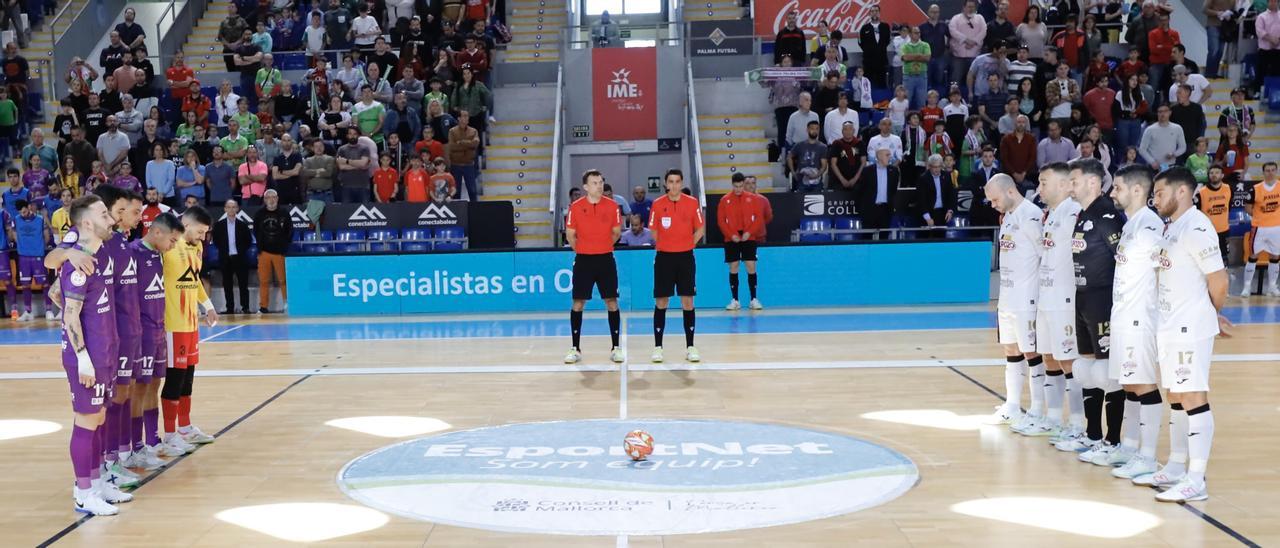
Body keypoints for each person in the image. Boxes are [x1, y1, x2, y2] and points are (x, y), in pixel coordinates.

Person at [1141, 166, 1232, 502]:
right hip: (1170, 324)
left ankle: (1196, 478)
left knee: (1193, 396)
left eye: (1160, 193)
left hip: (1187, 326)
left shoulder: (1196, 227)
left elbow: (1219, 280)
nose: (1156, 199)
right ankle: (1178, 465)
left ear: (1182, 192)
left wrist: (1211, 313)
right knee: (1176, 395)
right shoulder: (1173, 228)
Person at [56, 195, 130, 515]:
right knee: (86, 421)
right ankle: (83, 492)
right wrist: (83, 358)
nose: (111, 219)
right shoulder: (79, 263)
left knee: (99, 418)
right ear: (87, 223)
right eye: (104, 214)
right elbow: (70, 316)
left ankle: (97, 482)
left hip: (105, 350)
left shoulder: (98, 257)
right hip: (88, 356)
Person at [1060, 158, 1127, 463]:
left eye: (1074, 180)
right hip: (1083, 297)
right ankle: (1093, 434)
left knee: (1107, 371)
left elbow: (1123, 258)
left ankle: (1113, 441)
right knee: (1086, 369)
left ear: (1092, 182)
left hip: (1103, 299)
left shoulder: (1107, 214)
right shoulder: (1082, 214)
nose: (1070, 186)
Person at [1103, 164, 1165, 480]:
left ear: (1137, 190)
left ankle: (1148, 456)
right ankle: (1129, 446)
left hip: (1141, 317)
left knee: (1142, 383)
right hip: (1124, 315)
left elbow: (1165, 269)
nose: (1113, 193)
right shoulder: (1130, 225)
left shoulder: (1149, 226)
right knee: (1129, 384)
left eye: (1117, 187)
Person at [1014, 162, 1083, 438]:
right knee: (1050, 358)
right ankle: (1053, 417)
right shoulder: (1051, 214)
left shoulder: (1074, 213)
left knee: (1069, 362)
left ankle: (1078, 423)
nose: (1039, 188)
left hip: (1065, 299)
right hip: (1047, 295)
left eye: (1044, 182)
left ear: (1065, 185)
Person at [124, 212, 183, 469]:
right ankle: (135, 446)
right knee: (139, 387)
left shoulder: (157, 253)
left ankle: (152, 440)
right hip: (142, 332)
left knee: (154, 384)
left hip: (159, 328)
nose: (172, 246)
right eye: (172, 240)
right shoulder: (132, 252)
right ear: (157, 232)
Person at [985, 173, 1044, 425]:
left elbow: (1045, 255)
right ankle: (1012, 404)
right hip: (1007, 297)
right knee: (1011, 350)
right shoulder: (1007, 216)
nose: (993, 204)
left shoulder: (1031, 215)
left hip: (1027, 297)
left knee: (1031, 352)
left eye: (995, 199)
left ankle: (1038, 409)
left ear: (1010, 191)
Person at [160, 206, 218, 454]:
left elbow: (193, 279)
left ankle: (185, 427)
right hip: (173, 324)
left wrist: (208, 306)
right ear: (186, 223)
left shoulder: (198, 248)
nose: (203, 237)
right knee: (174, 379)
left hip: (191, 323)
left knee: (188, 379)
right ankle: (170, 434)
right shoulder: (169, 247)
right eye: (201, 231)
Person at [563, 170, 624, 364]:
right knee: (578, 303)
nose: (599, 185)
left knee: (612, 302)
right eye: (595, 183)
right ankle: (575, 348)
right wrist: (583, 249)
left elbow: (616, 233)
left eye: (600, 182)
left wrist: (602, 246)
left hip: (606, 259)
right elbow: (570, 235)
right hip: (583, 260)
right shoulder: (575, 207)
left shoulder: (613, 206)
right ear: (586, 187)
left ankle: (616, 347)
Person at [648, 169, 704, 363]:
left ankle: (690, 346)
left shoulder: (692, 203)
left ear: (681, 183)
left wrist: (688, 244)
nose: (674, 185)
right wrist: (666, 245)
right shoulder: (657, 204)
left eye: (677, 181)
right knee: (661, 301)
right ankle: (658, 347)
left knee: (687, 301)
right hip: (664, 258)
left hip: (686, 257)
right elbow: (654, 231)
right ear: (665, 184)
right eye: (670, 181)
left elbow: (700, 229)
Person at [718, 173, 768, 311]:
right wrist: (731, 235)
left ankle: (753, 299)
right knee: (733, 267)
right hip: (731, 238)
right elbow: (721, 221)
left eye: (740, 186)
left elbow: (759, 218)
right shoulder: (725, 200)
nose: (738, 189)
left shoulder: (753, 198)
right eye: (736, 186)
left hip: (748, 237)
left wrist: (749, 233)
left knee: (751, 266)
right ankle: (735, 300)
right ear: (732, 185)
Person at [1240, 162, 1280, 296]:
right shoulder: (1255, 189)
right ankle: (1246, 287)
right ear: (1263, 172)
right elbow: (1247, 208)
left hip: (1277, 228)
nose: (1270, 173)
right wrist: (1261, 216)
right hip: (1259, 228)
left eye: (1273, 170)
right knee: (1253, 256)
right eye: (1267, 170)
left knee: (1275, 257)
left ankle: (1272, 287)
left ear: (1276, 171)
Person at [11, 200, 52, 321]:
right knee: (25, 285)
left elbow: (47, 236)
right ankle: (28, 311)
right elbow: (14, 235)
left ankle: (49, 311)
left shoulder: (40, 220)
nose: (22, 214)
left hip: (38, 256)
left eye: (24, 211)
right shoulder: (16, 219)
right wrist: (24, 246)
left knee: (45, 284)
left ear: (29, 207)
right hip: (23, 257)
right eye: (20, 212)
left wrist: (37, 247)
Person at [252, 190, 291, 314]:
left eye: (273, 197)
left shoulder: (284, 213)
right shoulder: (259, 214)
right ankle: (263, 307)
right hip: (264, 252)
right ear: (265, 200)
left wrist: (284, 246)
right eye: (268, 197)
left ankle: (287, 304)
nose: (271, 200)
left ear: (277, 198)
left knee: (283, 280)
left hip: (279, 252)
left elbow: (289, 231)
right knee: (263, 281)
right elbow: (256, 231)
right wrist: (260, 247)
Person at [214, 200, 252, 314]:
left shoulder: (243, 225)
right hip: (225, 258)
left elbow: (248, 241)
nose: (231, 209)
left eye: (233, 207)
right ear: (225, 209)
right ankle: (229, 308)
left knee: (243, 284)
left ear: (237, 209)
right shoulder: (219, 225)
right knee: (227, 284)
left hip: (240, 258)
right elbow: (216, 241)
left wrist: (241, 251)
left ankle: (245, 307)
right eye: (229, 207)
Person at [854, 149, 901, 231]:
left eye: (890, 155)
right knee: (867, 238)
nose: (890, 157)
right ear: (879, 156)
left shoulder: (894, 171)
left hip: (886, 210)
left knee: (884, 238)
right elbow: (860, 190)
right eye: (887, 155)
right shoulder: (867, 171)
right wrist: (862, 209)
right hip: (869, 210)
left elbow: (893, 190)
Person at [949, 0, 987, 95]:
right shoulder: (956, 18)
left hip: (974, 55)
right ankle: (954, 99)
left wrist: (973, 41)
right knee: (955, 80)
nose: (971, 9)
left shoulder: (980, 18)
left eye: (973, 7)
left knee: (974, 79)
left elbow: (984, 30)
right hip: (958, 56)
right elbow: (952, 30)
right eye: (969, 7)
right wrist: (966, 39)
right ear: (964, 7)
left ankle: (973, 99)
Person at [916, 154, 957, 234]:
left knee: (941, 239)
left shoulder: (947, 176)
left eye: (939, 166)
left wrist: (950, 210)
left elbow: (951, 195)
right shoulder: (923, 178)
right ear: (930, 166)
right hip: (928, 214)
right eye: (935, 167)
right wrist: (927, 218)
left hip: (942, 214)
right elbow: (921, 200)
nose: (937, 169)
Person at [1139, 104, 1186, 171]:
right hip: (1154, 166)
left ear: (1170, 112)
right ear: (1157, 113)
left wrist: (1174, 154)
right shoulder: (1150, 129)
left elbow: (1183, 147)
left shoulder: (1177, 128)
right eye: (1160, 112)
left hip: (1170, 165)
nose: (1162, 114)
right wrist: (1152, 161)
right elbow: (1142, 149)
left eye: (1165, 111)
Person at [448, 110, 481, 201]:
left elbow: (475, 144)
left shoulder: (473, 131)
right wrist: (468, 146)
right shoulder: (452, 131)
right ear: (458, 118)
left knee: (472, 191)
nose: (467, 118)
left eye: (467, 116)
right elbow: (452, 147)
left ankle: (475, 210)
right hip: (456, 165)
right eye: (464, 116)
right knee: (456, 192)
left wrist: (461, 142)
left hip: (469, 165)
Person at [336, 127, 373, 203]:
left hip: (363, 185)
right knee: (346, 212)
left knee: (364, 211)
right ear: (347, 135)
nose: (352, 136)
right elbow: (341, 166)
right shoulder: (341, 149)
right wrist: (359, 165)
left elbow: (363, 164)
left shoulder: (365, 148)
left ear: (358, 135)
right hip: (346, 186)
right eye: (350, 134)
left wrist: (346, 161)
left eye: (355, 134)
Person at [789, 121, 827, 192]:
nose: (814, 131)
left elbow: (824, 165)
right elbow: (789, 157)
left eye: (817, 129)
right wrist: (793, 172)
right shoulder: (799, 145)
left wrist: (817, 175)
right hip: (801, 180)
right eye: (812, 128)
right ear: (807, 130)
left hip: (817, 181)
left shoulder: (823, 147)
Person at [859, 6, 892, 87]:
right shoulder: (864, 28)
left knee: (882, 85)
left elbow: (887, 41)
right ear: (869, 13)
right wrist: (870, 50)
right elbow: (861, 43)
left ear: (879, 13)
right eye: (872, 11)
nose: (874, 13)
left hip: (882, 61)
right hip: (868, 63)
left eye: (876, 11)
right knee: (868, 85)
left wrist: (879, 49)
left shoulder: (885, 26)